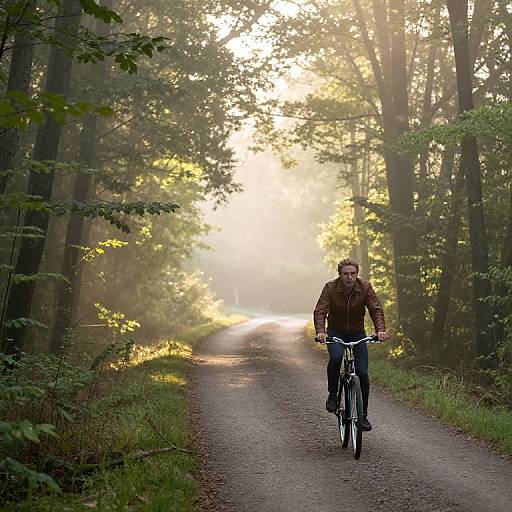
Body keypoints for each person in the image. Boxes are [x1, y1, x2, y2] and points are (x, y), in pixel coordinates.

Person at [313, 258, 387, 431]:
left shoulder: (365, 287)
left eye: (353, 273)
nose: (349, 277)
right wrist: (320, 331)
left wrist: (380, 330)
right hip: (335, 332)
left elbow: (375, 309)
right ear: (340, 275)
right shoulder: (330, 288)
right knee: (337, 357)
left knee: (362, 372)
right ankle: (333, 394)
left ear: (357, 274)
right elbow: (320, 310)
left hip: (357, 332)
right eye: (345, 274)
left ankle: (363, 417)